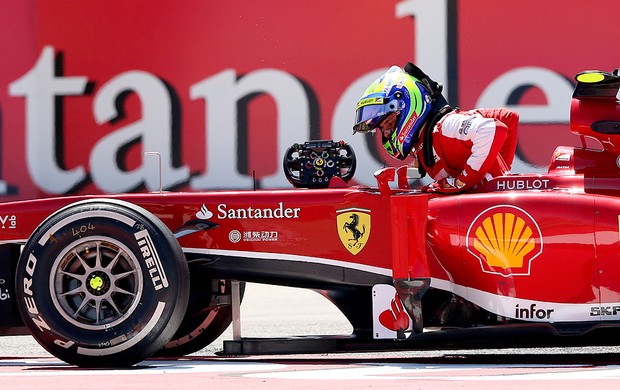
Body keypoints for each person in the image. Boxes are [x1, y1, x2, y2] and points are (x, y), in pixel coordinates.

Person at [353, 63, 518, 193]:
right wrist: (501, 180)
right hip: (493, 217)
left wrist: (461, 182)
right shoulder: (425, 140)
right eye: (383, 128)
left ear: (405, 106)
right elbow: (508, 118)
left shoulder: (444, 127)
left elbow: (493, 129)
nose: (387, 132)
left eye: (388, 123)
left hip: (499, 218)